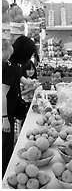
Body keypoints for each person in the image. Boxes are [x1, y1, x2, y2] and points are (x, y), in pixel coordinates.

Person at [2, 35, 37, 178]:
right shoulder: (9, 66)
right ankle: (4, 176)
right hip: (5, 113)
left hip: (9, 109)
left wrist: (29, 82)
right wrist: (4, 118)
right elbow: (2, 93)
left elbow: (18, 77)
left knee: (8, 144)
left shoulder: (15, 63)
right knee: (5, 147)